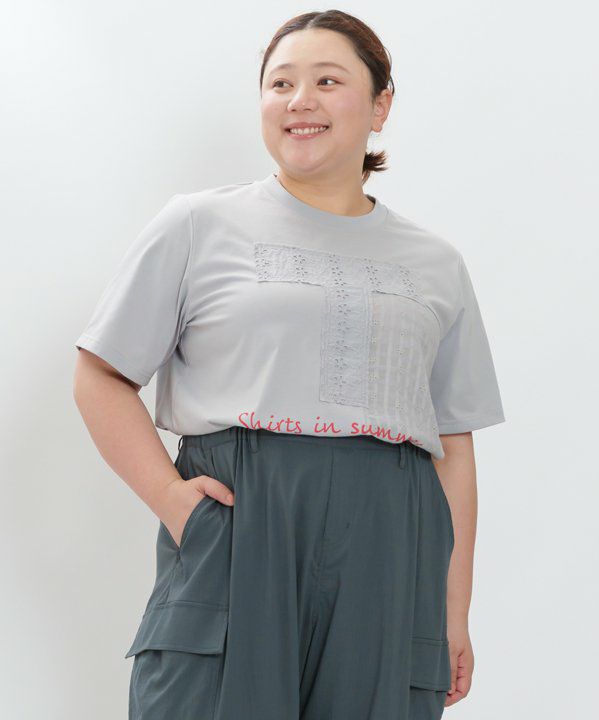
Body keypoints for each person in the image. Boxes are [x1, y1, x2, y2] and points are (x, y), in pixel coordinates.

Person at [73, 9, 505, 720]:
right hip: (243, 517)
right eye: (280, 84)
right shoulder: (198, 224)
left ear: (380, 106)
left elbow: (453, 442)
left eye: (327, 81)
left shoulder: (435, 263)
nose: (299, 100)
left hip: (390, 537)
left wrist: (452, 611)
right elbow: (102, 374)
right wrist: (174, 502)